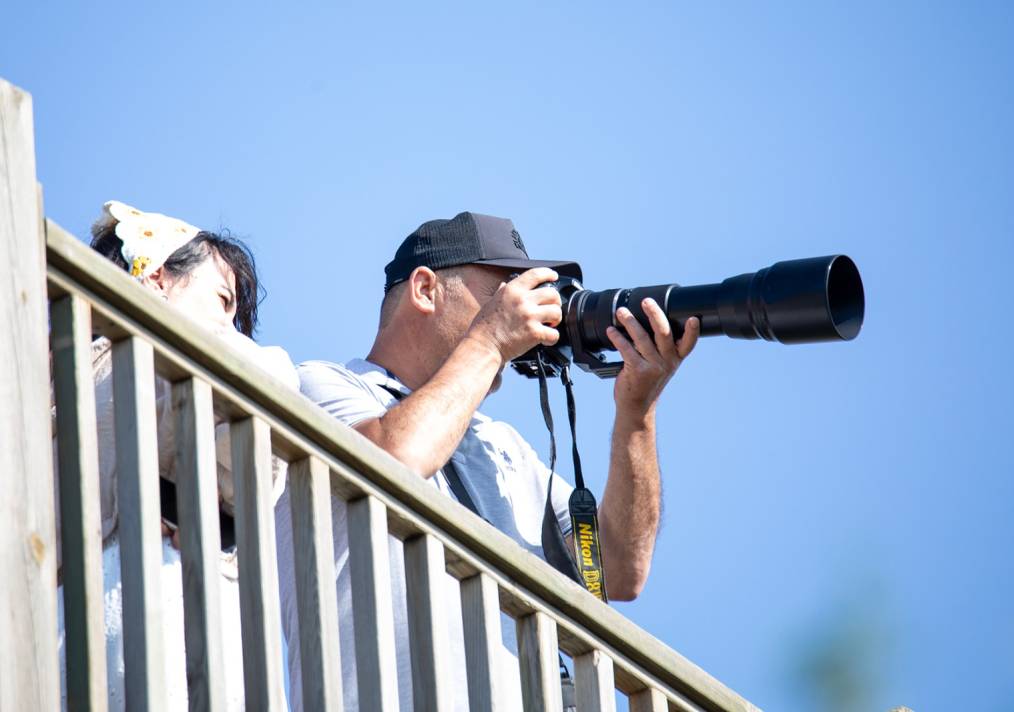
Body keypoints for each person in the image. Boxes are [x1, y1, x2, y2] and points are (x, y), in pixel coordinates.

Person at [279, 211, 698, 710]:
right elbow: (393, 464)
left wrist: (636, 412)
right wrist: (491, 339)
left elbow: (617, 571)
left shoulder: (502, 446)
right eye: (503, 294)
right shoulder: (322, 386)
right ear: (425, 289)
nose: (528, 314)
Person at [53, 201, 299, 711]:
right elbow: (271, 391)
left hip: (64, 619)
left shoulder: (65, 381)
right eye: (223, 299)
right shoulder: (140, 361)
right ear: (157, 277)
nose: (230, 326)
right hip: (156, 595)